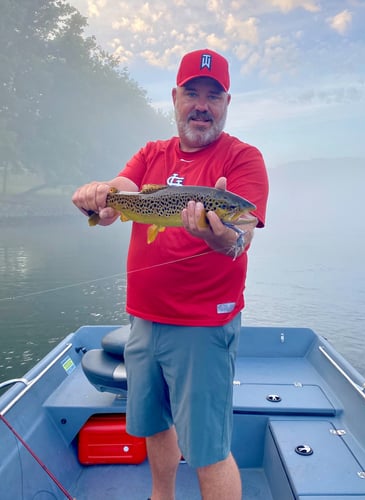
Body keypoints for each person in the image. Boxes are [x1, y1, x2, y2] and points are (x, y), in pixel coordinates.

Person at [72, 48, 268, 500]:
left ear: (226, 103)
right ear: (175, 97)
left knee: (207, 448)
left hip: (203, 327)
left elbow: (241, 236)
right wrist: (103, 198)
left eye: (213, 96)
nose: (202, 105)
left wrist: (218, 236)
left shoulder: (243, 159)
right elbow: (122, 191)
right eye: (193, 93)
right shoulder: (151, 152)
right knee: (155, 425)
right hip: (144, 320)